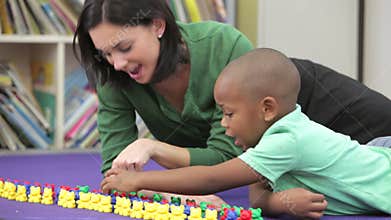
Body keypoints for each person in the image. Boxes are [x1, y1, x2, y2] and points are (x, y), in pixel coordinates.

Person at [101, 48, 391, 217]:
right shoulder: (265, 146)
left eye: (229, 113)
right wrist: (282, 202)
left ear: (267, 109)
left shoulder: (287, 141)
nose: (223, 124)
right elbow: (257, 197)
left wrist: (138, 180)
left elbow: (212, 177)